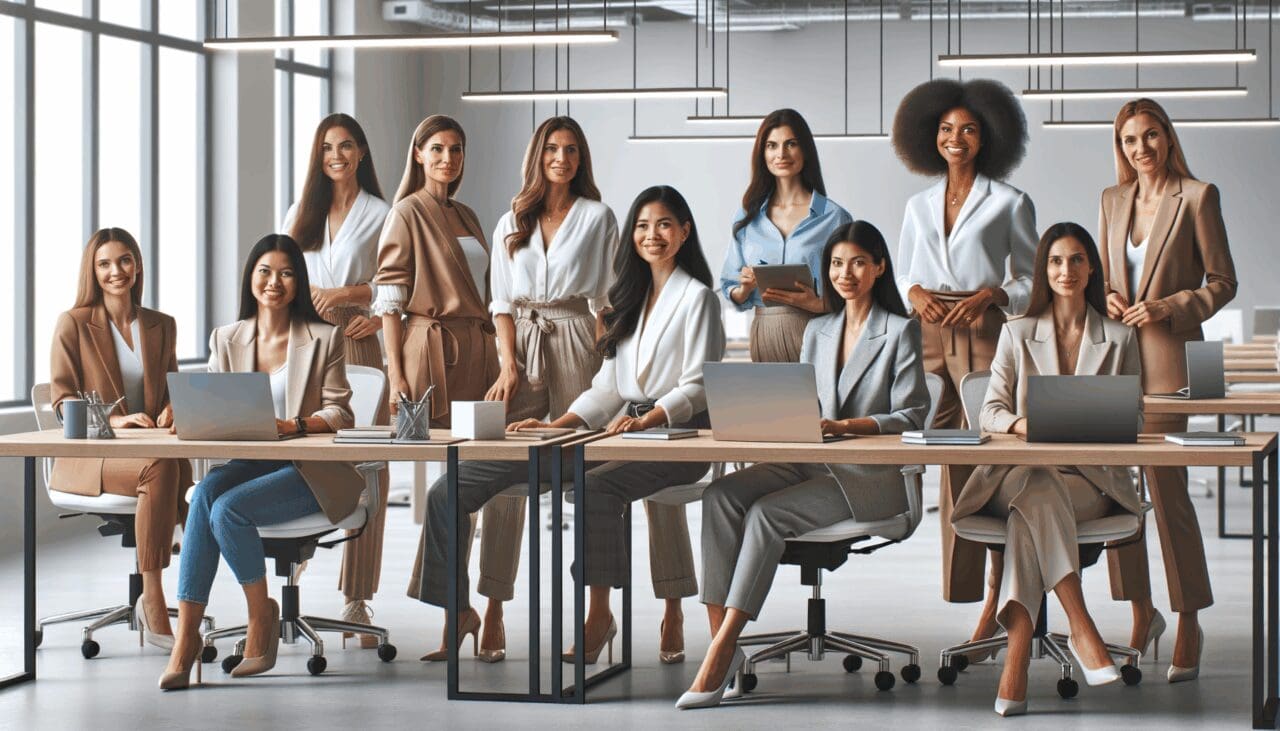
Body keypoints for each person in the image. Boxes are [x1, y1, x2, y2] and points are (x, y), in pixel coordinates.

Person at [412, 116, 697, 663]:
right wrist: (507, 363)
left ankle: (667, 602)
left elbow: (611, 295)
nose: (561, 158)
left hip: (579, 344)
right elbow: (498, 301)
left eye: (570, 149)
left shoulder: (599, 216)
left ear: (580, 158)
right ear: (536, 155)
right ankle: (489, 609)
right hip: (520, 344)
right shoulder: (509, 220)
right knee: (501, 474)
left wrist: (618, 355)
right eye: (551, 148)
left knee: (612, 470)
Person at [679, 220, 929, 709]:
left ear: (879, 267)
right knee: (720, 496)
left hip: (867, 478)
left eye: (858, 262)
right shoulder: (818, 328)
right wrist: (777, 418)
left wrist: (847, 427)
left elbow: (911, 414)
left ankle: (725, 646)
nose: (846, 273)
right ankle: (719, 642)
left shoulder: (901, 331)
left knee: (767, 514)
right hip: (811, 458)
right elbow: (809, 403)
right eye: (836, 263)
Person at [506, 185, 724, 665]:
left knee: (594, 487)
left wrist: (647, 419)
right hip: (631, 425)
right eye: (643, 226)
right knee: (556, 465)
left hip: (681, 433)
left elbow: (699, 387)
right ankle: (602, 613)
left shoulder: (700, 299)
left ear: (685, 232)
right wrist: (557, 425)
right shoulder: (629, 300)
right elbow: (607, 387)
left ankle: (601, 614)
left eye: (665, 224)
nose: (653, 235)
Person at [952, 222, 1143, 716]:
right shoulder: (1016, 333)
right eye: (1056, 261)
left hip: (1087, 481)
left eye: (1077, 260)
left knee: (1029, 511)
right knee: (1035, 482)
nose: (1066, 270)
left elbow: (1134, 415)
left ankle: (1015, 654)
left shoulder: (1119, 337)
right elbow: (989, 410)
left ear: (1091, 269)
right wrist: (1021, 424)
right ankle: (1081, 624)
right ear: (1044, 270)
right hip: (1018, 472)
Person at [159, 234, 357, 689]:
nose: (274, 282)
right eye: (265, 271)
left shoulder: (324, 337)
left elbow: (341, 411)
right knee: (206, 493)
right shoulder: (227, 338)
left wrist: (297, 425)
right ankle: (186, 639)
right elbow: (213, 398)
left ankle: (259, 620)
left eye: (286, 273)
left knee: (228, 508)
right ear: (251, 278)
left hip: (310, 470)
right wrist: (182, 409)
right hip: (251, 463)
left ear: (298, 282)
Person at [891, 78, 1038, 648]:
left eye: (969, 129)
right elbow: (904, 270)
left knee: (992, 456)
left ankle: (1002, 592)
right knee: (945, 454)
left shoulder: (1009, 202)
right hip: (929, 329)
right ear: (931, 136)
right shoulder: (917, 204)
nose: (957, 138)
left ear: (988, 137)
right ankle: (967, 592)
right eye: (947, 129)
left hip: (983, 328)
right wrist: (915, 294)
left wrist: (993, 295)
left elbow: (1029, 279)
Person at [1097, 98, 1236, 682]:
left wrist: (1171, 306)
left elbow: (1222, 282)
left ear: (1168, 138)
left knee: (1168, 494)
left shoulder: (1198, 196)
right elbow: (1107, 275)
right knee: (1115, 492)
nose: (1141, 149)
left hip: (1170, 361)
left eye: (1151, 136)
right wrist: (1104, 298)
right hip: (1113, 363)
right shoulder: (1111, 200)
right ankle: (1141, 609)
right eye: (1130, 140)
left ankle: (1188, 617)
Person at [372, 115, 502, 661]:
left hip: (479, 352)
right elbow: (390, 300)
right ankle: (456, 613)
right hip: (432, 357)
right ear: (418, 154)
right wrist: (397, 374)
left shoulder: (467, 215)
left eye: (457, 149)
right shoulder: (407, 213)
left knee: (465, 485)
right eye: (438, 149)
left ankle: (461, 615)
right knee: (449, 485)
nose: (448, 158)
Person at [49, 227, 192, 650]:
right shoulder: (73, 324)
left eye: (125, 260)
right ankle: (154, 595)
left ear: (138, 265)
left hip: (149, 454)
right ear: (92, 271)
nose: (117, 271)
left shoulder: (160, 325)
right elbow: (62, 400)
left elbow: (172, 391)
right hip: (90, 458)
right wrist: (113, 422)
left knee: (179, 471)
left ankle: (182, 590)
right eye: (105, 263)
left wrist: (173, 407)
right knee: (163, 468)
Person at [283, 112, 392, 645]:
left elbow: (398, 280)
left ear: (362, 152)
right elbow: (277, 275)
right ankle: (290, 555)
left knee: (366, 461)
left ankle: (358, 598)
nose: (337, 155)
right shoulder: (300, 211)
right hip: (302, 340)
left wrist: (359, 298)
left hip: (356, 337)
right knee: (300, 444)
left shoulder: (382, 212)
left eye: (347, 145)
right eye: (328, 146)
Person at [719, 108, 852, 362]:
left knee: (820, 402)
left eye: (790, 144)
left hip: (817, 328)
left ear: (805, 150)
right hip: (764, 331)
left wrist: (820, 303)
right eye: (771, 145)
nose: (780, 154)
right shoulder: (747, 216)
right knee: (770, 402)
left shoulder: (834, 217)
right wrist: (744, 288)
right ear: (762, 152)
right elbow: (729, 286)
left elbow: (855, 291)